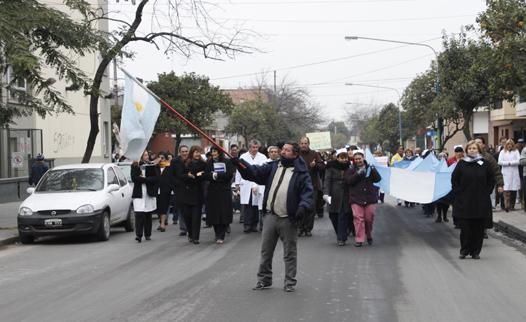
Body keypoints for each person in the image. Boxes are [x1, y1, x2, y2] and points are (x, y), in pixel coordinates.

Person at [232, 142, 313, 292]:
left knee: (289, 253)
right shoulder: (273, 166)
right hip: (270, 215)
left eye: (287, 150)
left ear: (295, 154)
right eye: (283, 149)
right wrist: (240, 163)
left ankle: (289, 282)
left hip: (288, 218)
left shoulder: (301, 172)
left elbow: (308, 194)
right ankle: (264, 280)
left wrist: (303, 207)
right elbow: (255, 172)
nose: (283, 152)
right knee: (266, 251)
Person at [452, 141, 495, 259]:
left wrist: (487, 191)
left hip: (481, 201)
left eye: (474, 148)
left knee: (479, 228)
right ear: (466, 150)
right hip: (465, 201)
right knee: (465, 227)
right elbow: (454, 180)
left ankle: (476, 251)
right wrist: (458, 193)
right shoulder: (461, 164)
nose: (472, 150)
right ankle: (464, 250)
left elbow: (492, 179)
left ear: (479, 150)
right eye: (470, 148)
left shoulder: (485, 164)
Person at [345, 151, 381, 247]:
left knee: (369, 218)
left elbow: (378, 179)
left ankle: (368, 234)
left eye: (359, 158)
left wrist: (372, 169)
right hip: (356, 198)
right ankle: (359, 239)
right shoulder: (351, 169)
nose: (358, 161)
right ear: (354, 160)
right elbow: (349, 181)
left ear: (363, 158)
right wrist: (358, 173)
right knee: (358, 219)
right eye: (356, 159)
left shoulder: (370, 167)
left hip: (369, 198)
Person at [203, 147, 235, 244]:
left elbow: (229, 175)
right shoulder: (209, 162)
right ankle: (217, 233)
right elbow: (206, 175)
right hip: (213, 191)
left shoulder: (227, 162)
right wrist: (212, 176)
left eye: (215, 151)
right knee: (214, 213)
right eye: (212, 152)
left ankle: (221, 234)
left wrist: (218, 176)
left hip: (224, 190)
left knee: (224, 212)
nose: (214, 153)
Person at [235, 140, 267, 233]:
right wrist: (237, 183)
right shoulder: (243, 157)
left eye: (256, 147)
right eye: (253, 147)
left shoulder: (262, 157)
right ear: (249, 147)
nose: (255, 149)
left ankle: (254, 225)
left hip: (258, 183)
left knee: (256, 205)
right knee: (248, 205)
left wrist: (257, 184)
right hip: (246, 183)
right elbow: (239, 171)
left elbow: (263, 171)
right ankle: (247, 225)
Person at [298, 136, 325, 236]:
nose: (304, 145)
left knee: (311, 207)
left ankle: (308, 228)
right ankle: (300, 228)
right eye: (302, 143)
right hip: (299, 186)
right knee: (300, 207)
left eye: (306, 143)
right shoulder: (296, 154)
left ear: (309, 144)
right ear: (299, 144)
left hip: (312, 185)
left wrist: (316, 165)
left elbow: (322, 166)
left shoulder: (314, 154)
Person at [323, 149, 351, 246]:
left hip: (346, 194)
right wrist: (326, 193)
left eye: (345, 158)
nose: (344, 160)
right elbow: (327, 180)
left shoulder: (350, 167)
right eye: (342, 158)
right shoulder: (331, 166)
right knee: (333, 215)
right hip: (333, 194)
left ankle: (341, 238)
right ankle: (340, 233)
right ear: (337, 158)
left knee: (342, 216)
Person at [131, 150, 159, 243]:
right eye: (145, 155)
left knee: (148, 214)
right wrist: (145, 179)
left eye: (147, 155)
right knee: (139, 214)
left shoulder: (151, 165)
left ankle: (147, 234)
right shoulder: (135, 165)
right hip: (139, 192)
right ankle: (138, 235)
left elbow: (155, 178)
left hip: (148, 192)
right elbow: (134, 178)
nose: (147, 156)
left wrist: (144, 179)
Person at [181, 145, 207, 244]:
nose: (198, 154)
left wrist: (196, 176)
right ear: (192, 153)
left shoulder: (203, 164)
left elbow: (204, 176)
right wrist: (188, 176)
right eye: (196, 152)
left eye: (199, 152)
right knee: (187, 216)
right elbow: (181, 175)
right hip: (187, 192)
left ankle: (196, 237)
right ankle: (190, 234)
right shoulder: (186, 163)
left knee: (196, 217)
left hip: (198, 192)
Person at [498, 139, 521, 212]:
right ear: (506, 145)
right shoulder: (502, 152)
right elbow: (500, 162)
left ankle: (512, 206)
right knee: (506, 190)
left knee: (514, 190)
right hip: (506, 174)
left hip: (514, 173)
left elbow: (519, 161)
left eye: (511, 144)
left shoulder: (516, 151)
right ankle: (506, 205)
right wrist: (508, 163)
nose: (509, 146)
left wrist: (511, 163)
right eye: (508, 144)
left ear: (513, 145)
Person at [171, 145, 189, 236]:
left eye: (186, 151)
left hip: (190, 188)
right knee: (181, 209)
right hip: (179, 188)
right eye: (183, 151)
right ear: (179, 152)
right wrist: (176, 185)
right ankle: (183, 228)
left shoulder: (190, 160)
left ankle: (190, 227)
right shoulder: (174, 161)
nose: (184, 153)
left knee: (189, 209)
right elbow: (172, 175)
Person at [156, 152, 173, 232]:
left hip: (165, 189)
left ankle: (163, 224)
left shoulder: (169, 166)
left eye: (162, 158)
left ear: (165, 159)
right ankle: (160, 222)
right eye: (159, 158)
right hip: (156, 190)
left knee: (163, 206)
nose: (160, 159)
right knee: (158, 207)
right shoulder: (155, 167)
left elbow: (171, 178)